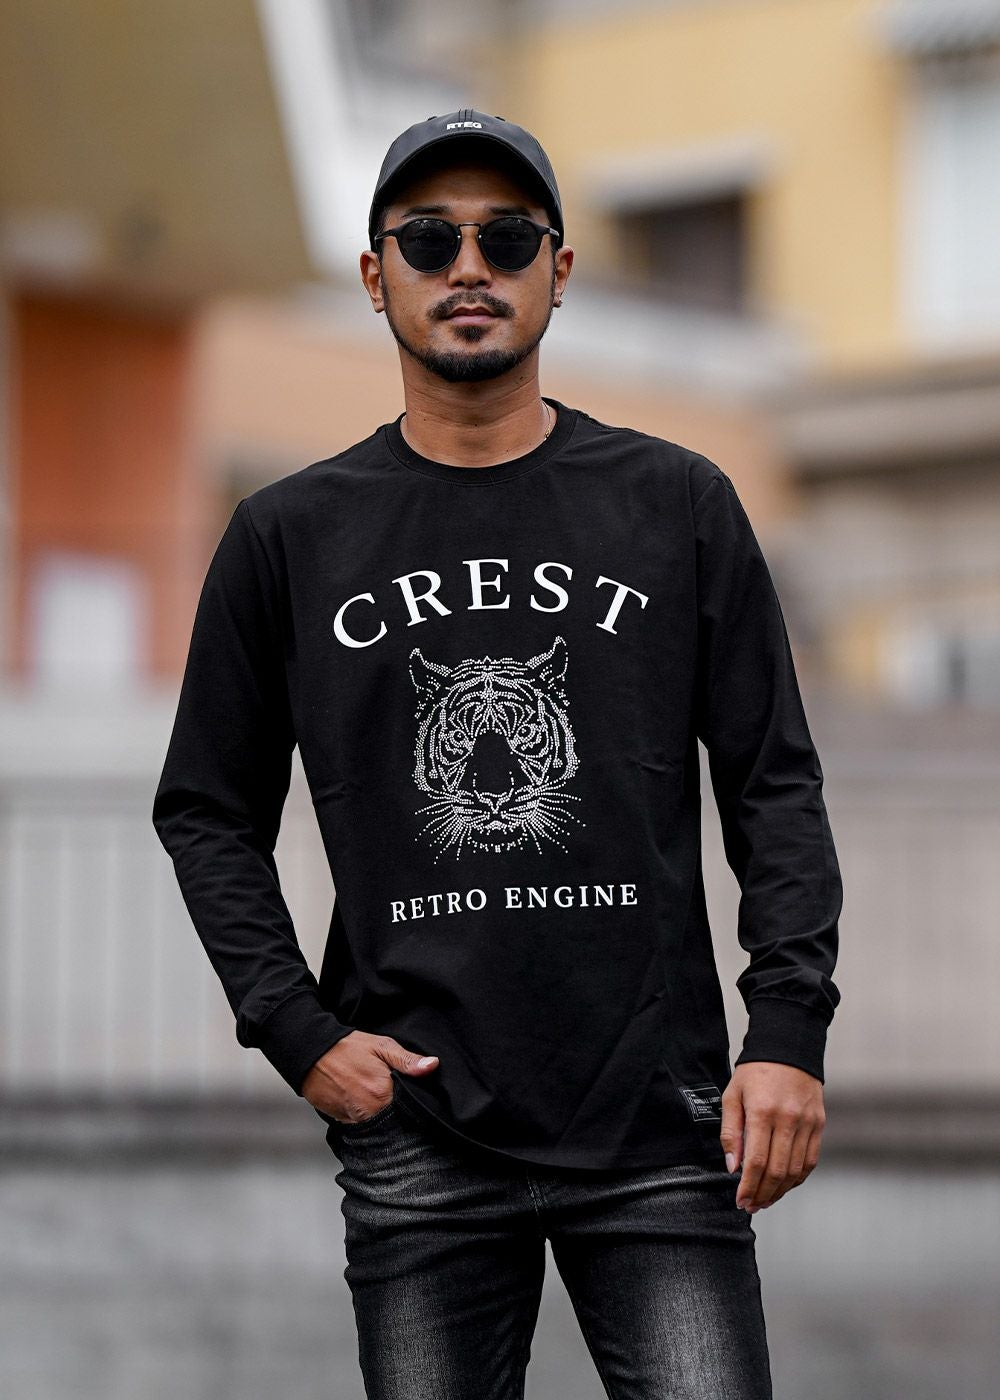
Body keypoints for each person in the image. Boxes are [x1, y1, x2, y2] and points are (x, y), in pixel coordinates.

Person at [152, 109, 843, 1399]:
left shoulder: (677, 503)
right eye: (429, 240)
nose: (468, 266)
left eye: (507, 238)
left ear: (558, 270)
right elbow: (205, 808)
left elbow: (774, 784)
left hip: (656, 1122)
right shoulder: (288, 537)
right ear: (377, 277)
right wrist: (297, 1030)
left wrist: (789, 1030)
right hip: (417, 1129)